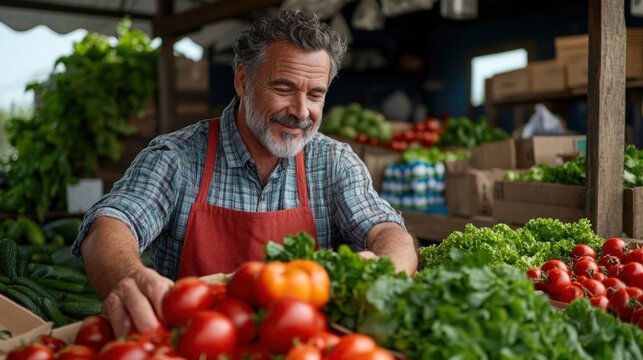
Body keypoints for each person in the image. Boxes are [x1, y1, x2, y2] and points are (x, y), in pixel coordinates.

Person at [73, 9, 418, 337]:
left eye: (315, 95)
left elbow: (388, 230)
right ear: (242, 80)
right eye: (283, 89)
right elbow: (111, 224)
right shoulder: (176, 157)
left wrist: (385, 272)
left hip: (300, 346)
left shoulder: (333, 162)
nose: (301, 112)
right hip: (200, 343)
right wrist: (128, 276)